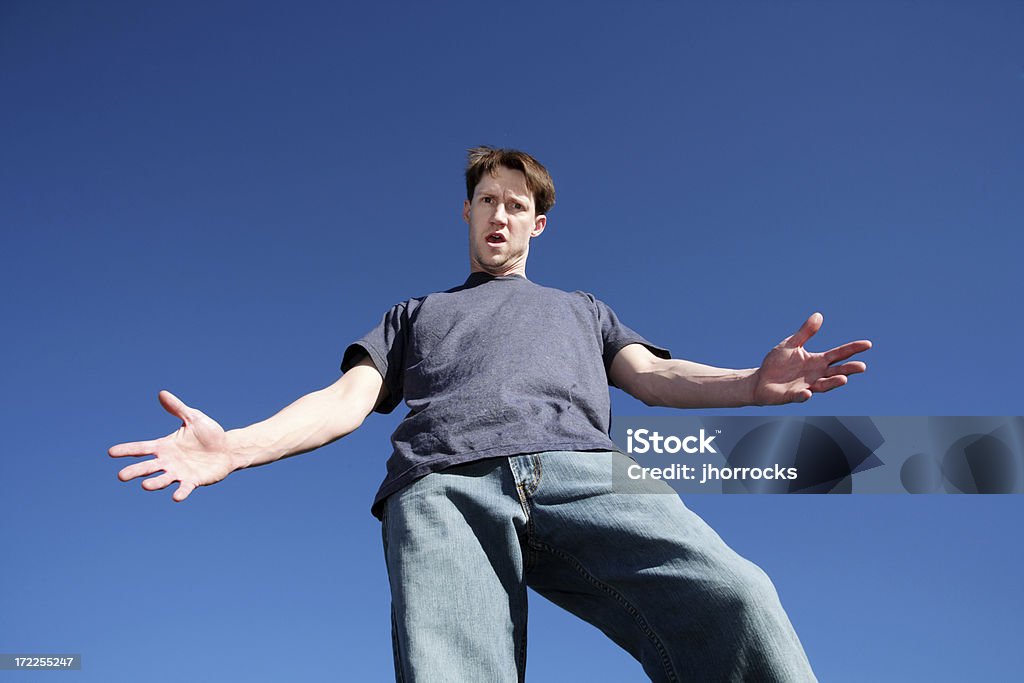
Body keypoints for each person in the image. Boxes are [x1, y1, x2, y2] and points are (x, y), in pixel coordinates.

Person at [111, 147, 871, 682]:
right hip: (446, 487)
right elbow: (345, 401)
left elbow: (654, 375)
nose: (500, 216)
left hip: (586, 473)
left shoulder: (583, 310)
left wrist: (751, 382)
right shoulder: (415, 313)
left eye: (517, 205)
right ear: (465, 213)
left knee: (737, 596)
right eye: (487, 202)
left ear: (539, 222)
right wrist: (236, 446)